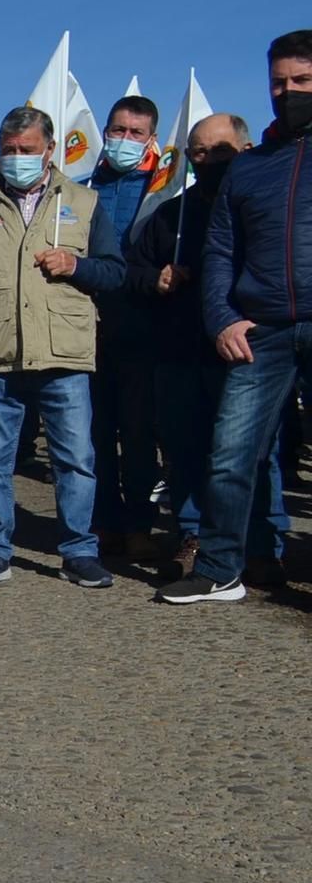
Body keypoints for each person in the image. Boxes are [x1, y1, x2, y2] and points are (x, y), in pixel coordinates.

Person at [0, 106, 124, 588]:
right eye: (9, 151)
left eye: (27, 150)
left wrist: (76, 266)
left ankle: (79, 551)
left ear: (50, 150)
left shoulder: (84, 202)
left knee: (75, 460)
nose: (17, 158)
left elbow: (114, 272)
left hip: (63, 356)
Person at [163, 29, 312, 603]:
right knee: (230, 454)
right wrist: (221, 317)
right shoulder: (250, 169)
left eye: (301, 81)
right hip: (262, 329)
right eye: (278, 82)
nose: (288, 92)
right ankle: (222, 568)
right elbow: (221, 250)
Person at [127, 113, 288, 586]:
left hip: (247, 352)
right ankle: (193, 535)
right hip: (180, 352)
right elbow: (130, 272)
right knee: (186, 451)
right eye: (199, 152)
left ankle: (262, 545)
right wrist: (155, 279)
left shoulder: (262, 205)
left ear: (245, 149)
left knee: (253, 453)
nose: (209, 160)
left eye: (221, 151)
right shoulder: (169, 216)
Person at [86, 94, 166, 562]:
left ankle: (139, 524)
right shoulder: (81, 189)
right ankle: (103, 523)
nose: (125, 140)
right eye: (118, 130)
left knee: (138, 433)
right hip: (86, 326)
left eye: (136, 133)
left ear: (151, 139)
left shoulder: (161, 191)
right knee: (93, 433)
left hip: (140, 325)